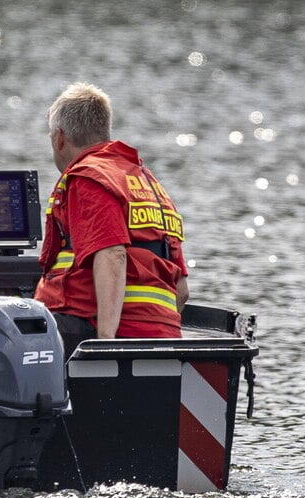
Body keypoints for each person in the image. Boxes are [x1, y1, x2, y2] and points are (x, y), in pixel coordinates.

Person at [34, 82, 190, 358]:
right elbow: (181, 290)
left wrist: (105, 345)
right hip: (161, 331)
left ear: (59, 138)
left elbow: (112, 254)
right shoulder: (147, 183)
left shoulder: (89, 177)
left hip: (89, 325)